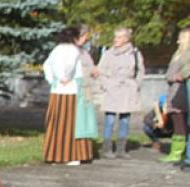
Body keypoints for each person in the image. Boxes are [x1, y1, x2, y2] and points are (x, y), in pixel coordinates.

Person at [41, 26, 94, 164]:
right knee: (72, 122)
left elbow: (47, 65)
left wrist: (53, 80)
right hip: (71, 90)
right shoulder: (73, 50)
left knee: (56, 122)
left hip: (56, 91)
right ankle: (72, 155)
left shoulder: (56, 49)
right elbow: (69, 66)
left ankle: (55, 154)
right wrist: (64, 77)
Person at [98, 27, 145, 159]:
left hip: (127, 90)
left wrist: (136, 85)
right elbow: (101, 71)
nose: (115, 40)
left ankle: (121, 149)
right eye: (115, 37)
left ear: (126, 39)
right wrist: (106, 85)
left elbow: (140, 71)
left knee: (125, 120)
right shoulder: (108, 54)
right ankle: (107, 148)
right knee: (110, 119)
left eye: (119, 37)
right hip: (112, 89)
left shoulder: (134, 53)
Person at [160, 27, 190, 164]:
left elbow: (182, 72)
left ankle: (178, 153)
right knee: (177, 122)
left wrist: (180, 75)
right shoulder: (178, 54)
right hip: (174, 91)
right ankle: (179, 151)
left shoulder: (186, 55)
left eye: (182, 38)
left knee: (180, 123)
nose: (178, 41)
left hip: (181, 92)